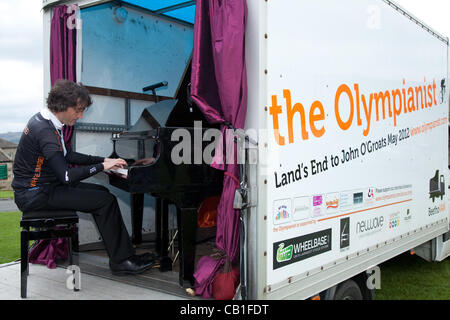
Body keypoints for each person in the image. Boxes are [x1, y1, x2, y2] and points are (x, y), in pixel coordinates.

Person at [12, 79, 154, 275]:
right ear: (62, 106)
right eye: (78, 110)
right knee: (105, 200)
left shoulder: (46, 121)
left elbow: (68, 156)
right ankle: (122, 261)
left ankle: (124, 256)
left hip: (42, 188)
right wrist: (102, 166)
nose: (80, 116)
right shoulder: (45, 131)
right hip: (35, 194)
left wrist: (104, 160)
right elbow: (67, 176)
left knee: (102, 194)